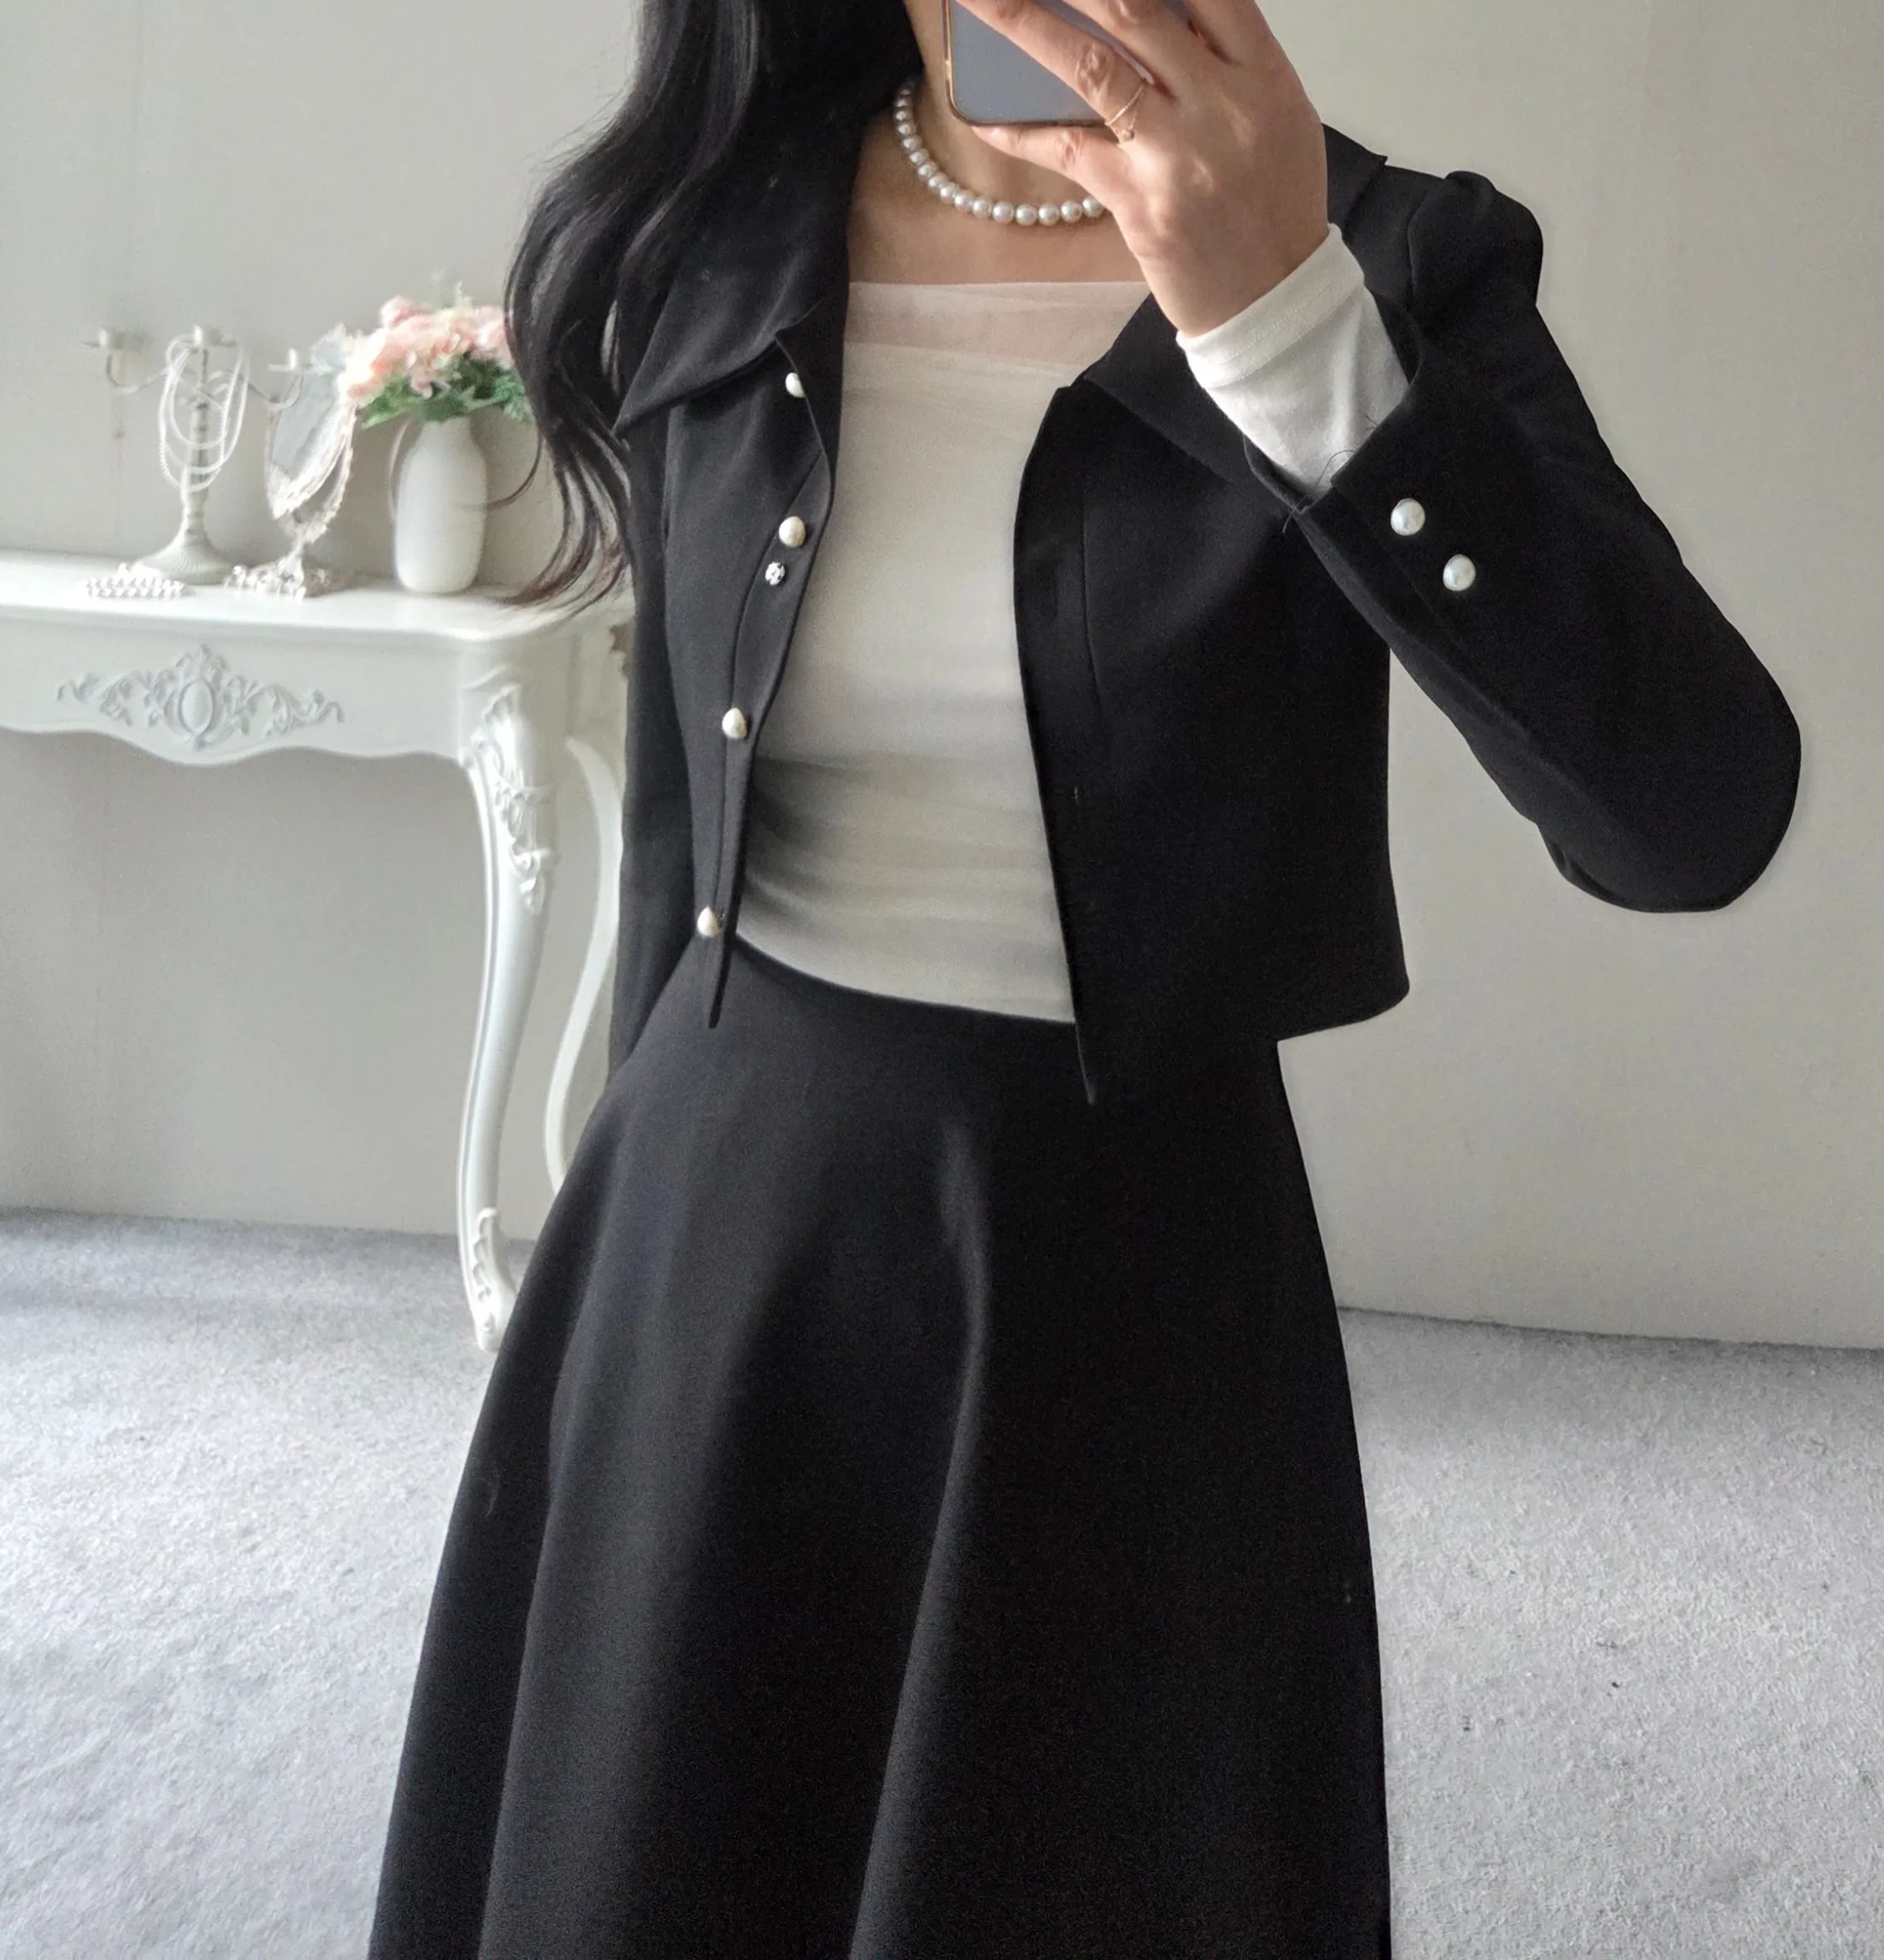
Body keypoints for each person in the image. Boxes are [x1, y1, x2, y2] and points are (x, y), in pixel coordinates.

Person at [368, 1, 1802, 1954]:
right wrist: (624, 1281)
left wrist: (1284, 324)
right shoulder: (727, 218)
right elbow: (685, 832)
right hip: (712, 1249)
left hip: (1125, 1294)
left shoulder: (1384, 256)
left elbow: (1691, 813)